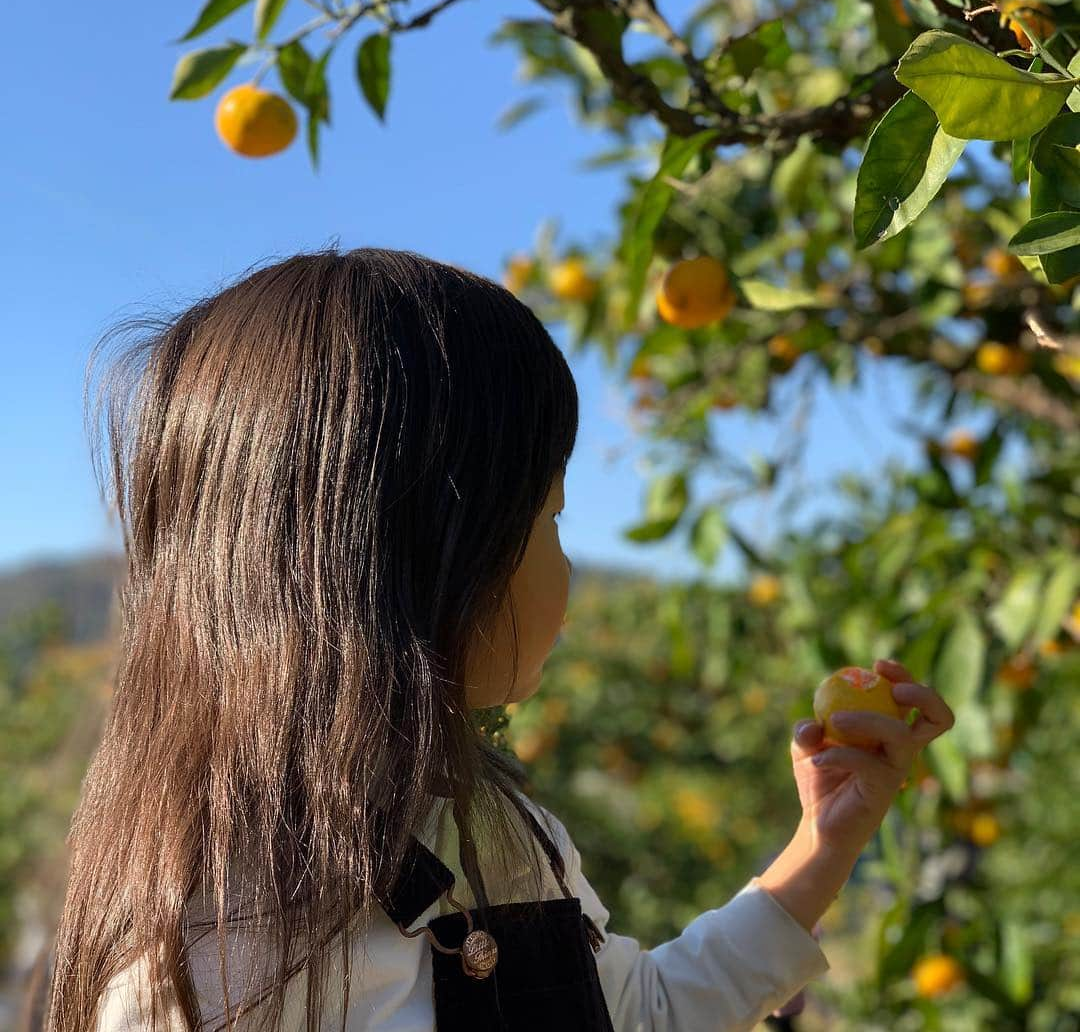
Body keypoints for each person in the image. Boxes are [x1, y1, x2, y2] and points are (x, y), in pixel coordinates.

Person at [39, 247, 954, 1032]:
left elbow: (631, 1015)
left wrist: (823, 844)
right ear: (431, 552)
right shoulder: (214, 938)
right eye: (549, 517)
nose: (571, 567)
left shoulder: (488, 829)